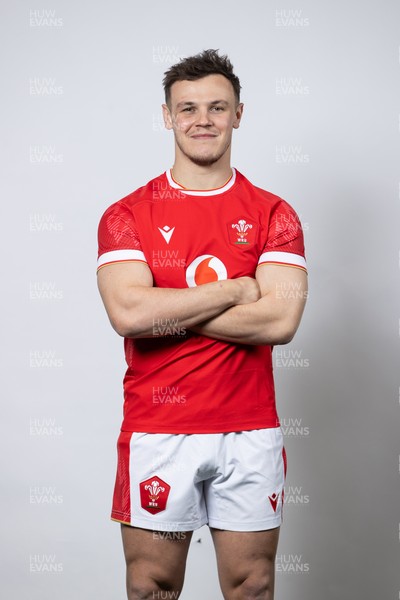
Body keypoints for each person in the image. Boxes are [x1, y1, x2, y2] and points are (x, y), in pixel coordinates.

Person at [97, 49, 307, 600]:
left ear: (240, 113)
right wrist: (235, 290)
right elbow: (128, 314)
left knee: (252, 585)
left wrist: (167, 304)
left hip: (249, 431)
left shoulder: (273, 214)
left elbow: (280, 319)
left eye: (217, 107)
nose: (202, 120)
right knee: (152, 586)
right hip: (159, 432)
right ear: (167, 116)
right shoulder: (127, 215)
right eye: (187, 108)